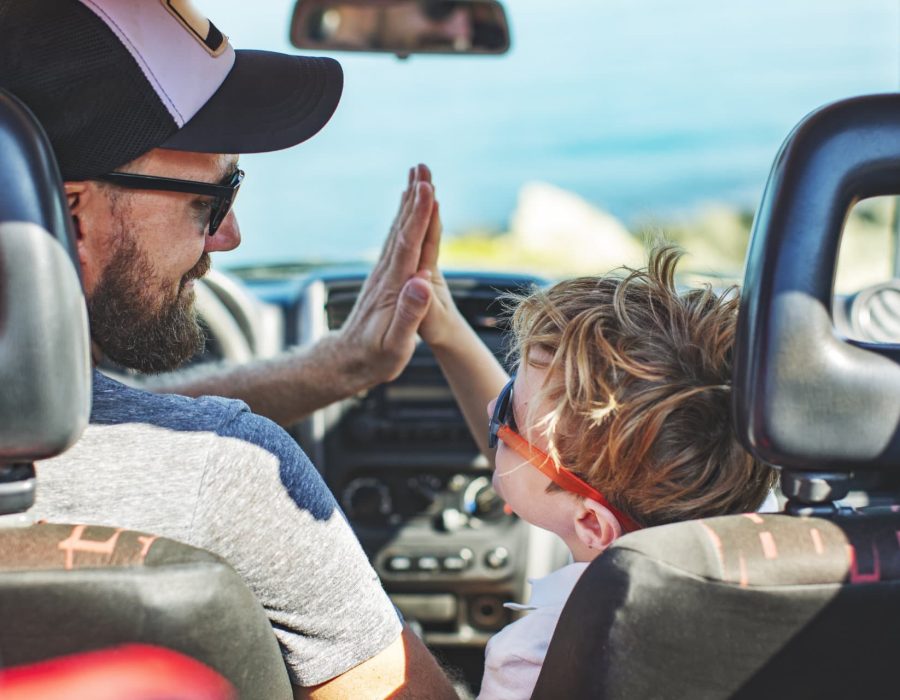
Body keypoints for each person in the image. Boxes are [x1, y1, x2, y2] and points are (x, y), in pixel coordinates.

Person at [1, 1, 455, 698]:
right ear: (68, 216)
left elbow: (94, 425)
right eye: (210, 200)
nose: (229, 235)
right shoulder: (227, 471)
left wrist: (338, 366)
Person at [416, 242, 778, 699]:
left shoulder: (534, 661)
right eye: (507, 390)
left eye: (507, 417)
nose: (491, 405)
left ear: (591, 523)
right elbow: (548, 464)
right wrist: (447, 330)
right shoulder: (750, 497)